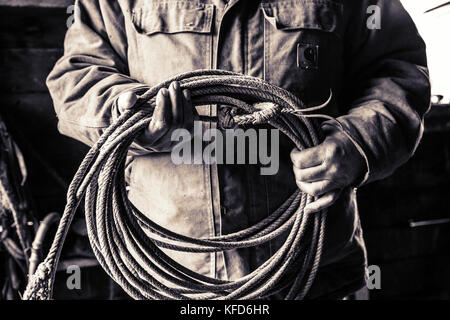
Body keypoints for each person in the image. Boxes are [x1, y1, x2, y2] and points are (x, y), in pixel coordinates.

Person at [47, 0, 430, 299]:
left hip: (312, 272)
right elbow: (77, 77)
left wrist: (358, 141)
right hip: (170, 276)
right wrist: (125, 111)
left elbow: (397, 70)